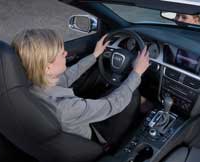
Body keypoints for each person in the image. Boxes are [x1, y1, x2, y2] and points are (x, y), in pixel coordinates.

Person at [11, 29, 150, 144]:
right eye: (61, 53)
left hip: (68, 132)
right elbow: (112, 105)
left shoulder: (33, 86)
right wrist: (136, 73)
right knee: (133, 96)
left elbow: (66, 76)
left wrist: (95, 55)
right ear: (47, 68)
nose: (66, 53)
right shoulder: (66, 108)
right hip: (93, 141)